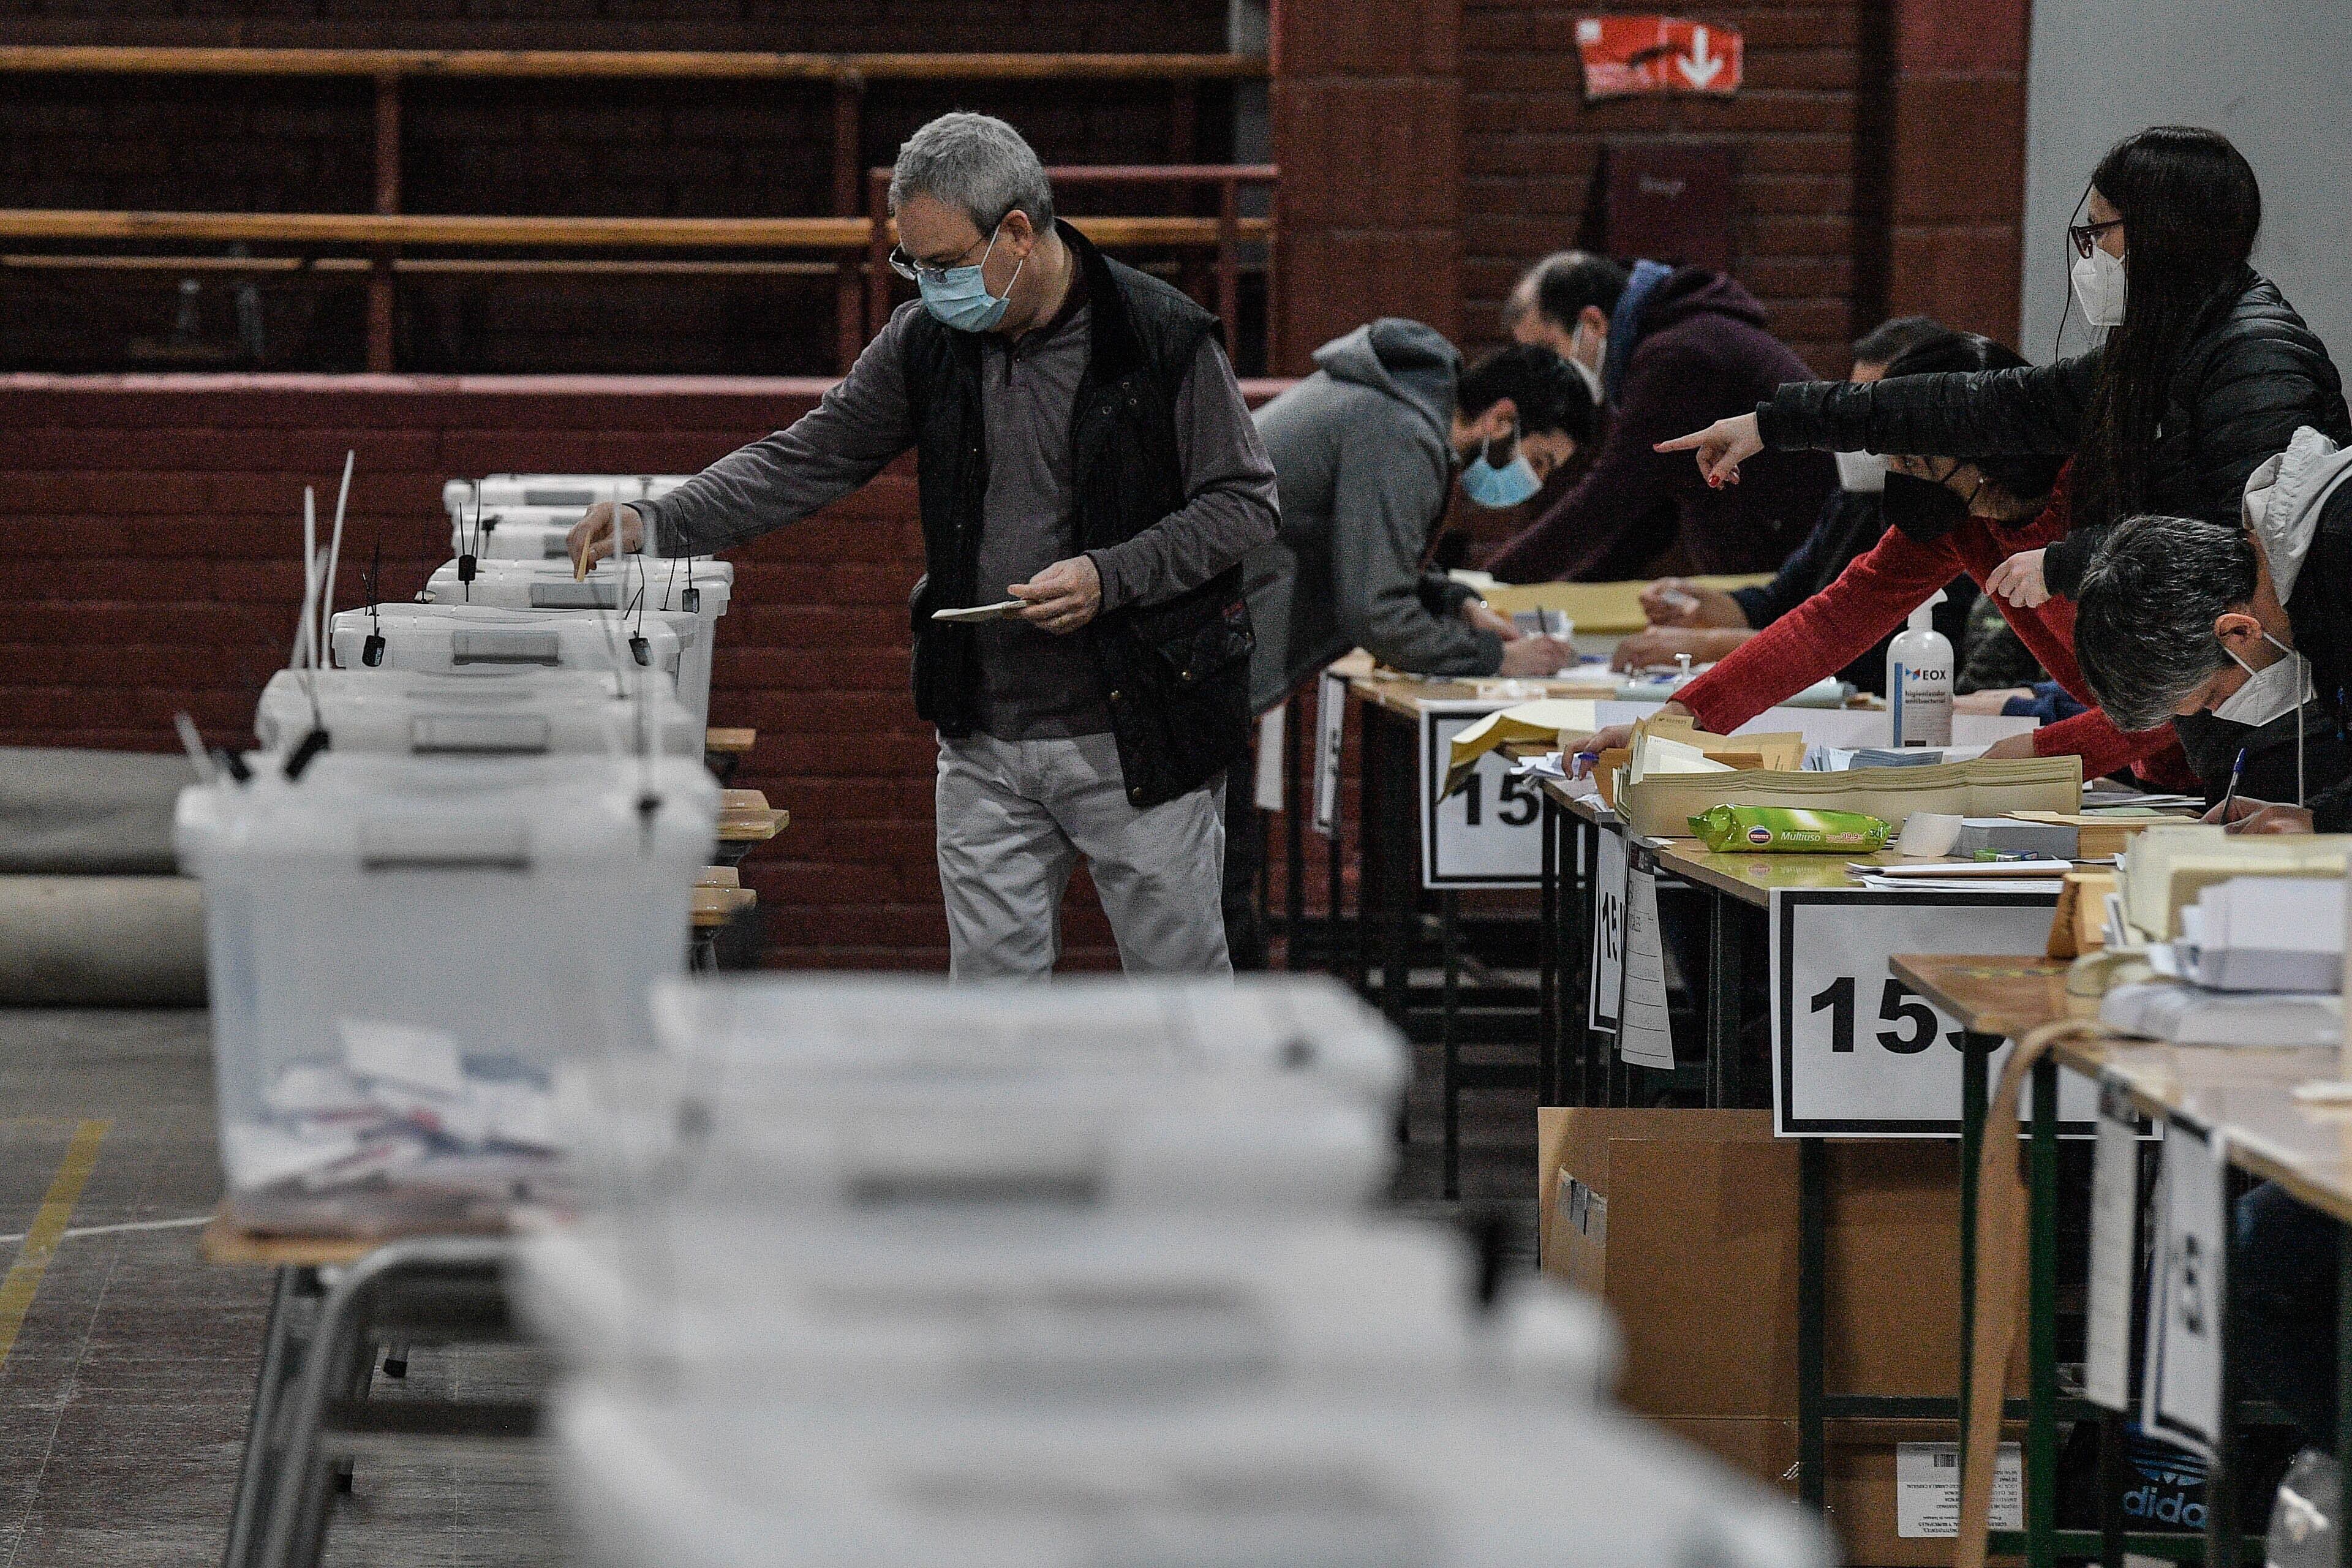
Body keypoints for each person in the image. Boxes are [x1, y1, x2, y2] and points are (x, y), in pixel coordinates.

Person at [568, 113, 1279, 980]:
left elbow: (1244, 503)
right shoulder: (928, 344)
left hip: (1143, 732)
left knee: (1184, 1004)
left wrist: (1110, 575)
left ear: (1018, 233)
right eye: (915, 265)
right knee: (985, 1012)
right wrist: (661, 518)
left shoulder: (1161, 338)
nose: (930, 287)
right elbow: (811, 454)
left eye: (943, 265)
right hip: (985, 736)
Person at [1657, 125, 2348, 792]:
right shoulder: (2147, 362)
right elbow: (1836, 611)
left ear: (2162, 237)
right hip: (2203, 764)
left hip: (2264, 746)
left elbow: (2222, 580)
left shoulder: (2252, 361)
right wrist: (1776, 422)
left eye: (2100, 232)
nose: (2087, 255)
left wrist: (2062, 571)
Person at [1577, 331, 2188, 784]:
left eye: (1916, 465)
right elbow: (1828, 624)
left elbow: (2182, 690)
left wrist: (2044, 752)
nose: (1905, 482)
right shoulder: (1959, 518)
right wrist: (1677, 723)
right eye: (1896, 464)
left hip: (2218, 759)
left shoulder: (2106, 501)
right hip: (2147, 773)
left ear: (1986, 452)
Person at [1221, 326, 1598, 968]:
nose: (1531, 485)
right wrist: (1497, 659)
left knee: (1224, 882)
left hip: (1210, 654)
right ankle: (1231, 1061)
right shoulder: (1402, 433)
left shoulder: (1391, 402)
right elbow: (1376, 611)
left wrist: (1453, 602)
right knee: (1219, 890)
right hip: (1201, 665)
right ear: (1502, 419)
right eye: (1539, 461)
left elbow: (1362, 553)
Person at [1611, 314, 1969, 685]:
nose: (1859, 433)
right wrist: (1703, 602)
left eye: (1874, 414)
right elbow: (1783, 601)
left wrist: (1710, 645)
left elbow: (1874, 655)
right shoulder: (1855, 501)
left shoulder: (1953, 515)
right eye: (1853, 408)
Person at [1482, 250, 1836, 582]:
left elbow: (1612, 494)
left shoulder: (1676, 355)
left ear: (1592, 322)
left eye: (1548, 352)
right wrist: (1567, 591)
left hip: (1808, 560)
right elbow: (1654, 511)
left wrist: (1491, 583)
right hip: (1795, 555)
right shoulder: (1677, 337)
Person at [2070, 427, 2352, 831]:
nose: (2220, 713)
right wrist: (2313, 818)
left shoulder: (2340, 558)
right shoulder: (2313, 581)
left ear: (2238, 632)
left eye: (2212, 697)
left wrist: (2326, 824)